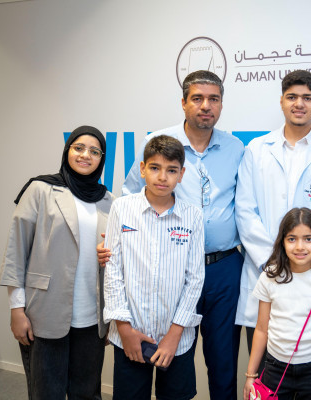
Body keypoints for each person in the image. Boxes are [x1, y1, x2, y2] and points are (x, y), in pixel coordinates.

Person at [101, 70, 245, 399]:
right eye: (197, 98)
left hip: (223, 267)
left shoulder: (236, 147)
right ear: (183, 103)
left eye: (213, 99)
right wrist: (109, 242)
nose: (205, 106)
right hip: (166, 265)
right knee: (161, 361)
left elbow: (246, 205)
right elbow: (129, 197)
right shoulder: (158, 144)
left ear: (221, 105)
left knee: (223, 359)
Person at [235, 70, 311, 351]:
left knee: (310, 369)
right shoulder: (257, 149)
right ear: (282, 102)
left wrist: (308, 261)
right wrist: (273, 262)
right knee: (263, 374)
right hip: (266, 272)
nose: (299, 104)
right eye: (292, 97)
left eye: (307, 98)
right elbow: (245, 212)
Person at [0, 126, 113, 400]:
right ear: (67, 150)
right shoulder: (40, 189)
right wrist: (17, 309)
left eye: (95, 151)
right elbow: (16, 250)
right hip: (44, 313)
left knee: (86, 393)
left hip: (91, 318)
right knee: (45, 393)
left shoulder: (109, 201)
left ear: (102, 159)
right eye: (79, 148)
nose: (86, 155)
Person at [103, 135, 204, 400]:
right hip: (130, 333)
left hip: (176, 339)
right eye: (155, 168)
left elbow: (194, 279)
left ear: (181, 174)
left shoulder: (192, 215)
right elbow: (112, 271)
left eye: (171, 170)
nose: (163, 177)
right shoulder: (121, 209)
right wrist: (124, 329)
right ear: (142, 169)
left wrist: (174, 334)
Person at [243, 207, 311, 400]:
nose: (300, 246)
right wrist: (251, 375)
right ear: (282, 242)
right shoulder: (269, 277)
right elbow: (261, 329)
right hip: (275, 369)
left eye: (308, 239)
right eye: (292, 239)